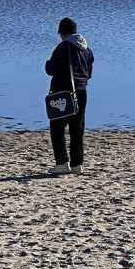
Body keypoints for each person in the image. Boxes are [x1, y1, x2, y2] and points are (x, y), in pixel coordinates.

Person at [45, 17, 94, 175]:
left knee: (57, 128)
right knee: (77, 129)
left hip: (63, 93)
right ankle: (77, 164)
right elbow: (89, 74)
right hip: (82, 92)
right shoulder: (87, 50)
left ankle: (62, 163)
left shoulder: (63, 47)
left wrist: (47, 64)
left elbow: (51, 69)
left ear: (63, 34)